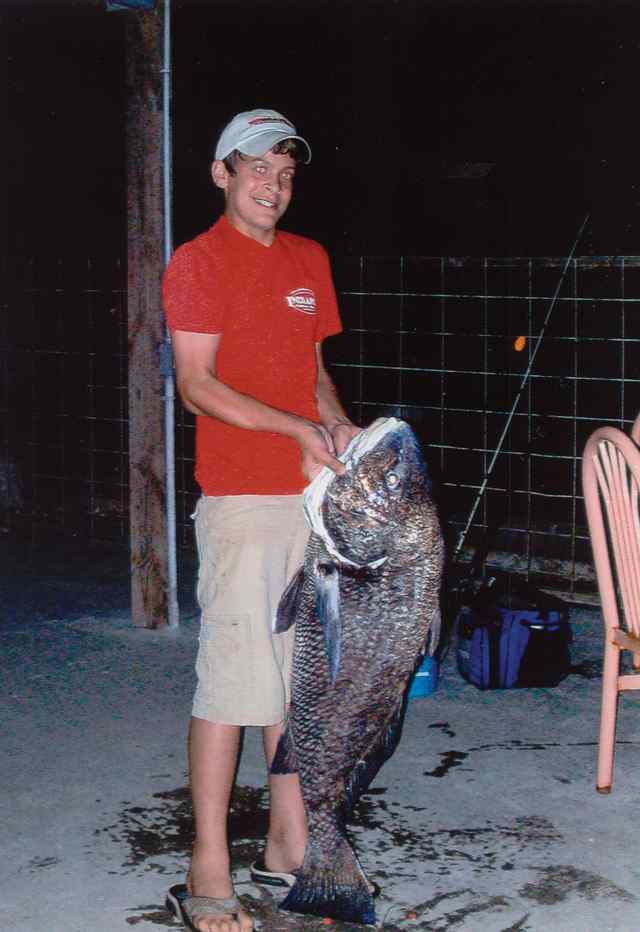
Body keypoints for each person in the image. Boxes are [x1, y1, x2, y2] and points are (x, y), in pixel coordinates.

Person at [162, 109, 360, 932]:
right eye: (257, 171)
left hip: (312, 501)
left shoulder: (310, 258)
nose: (273, 187)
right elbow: (196, 385)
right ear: (223, 174)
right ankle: (206, 863)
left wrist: (338, 429)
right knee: (233, 682)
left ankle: (288, 844)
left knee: (299, 682)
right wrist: (295, 432)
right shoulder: (197, 262)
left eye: (285, 173)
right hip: (243, 499)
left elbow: (312, 374)